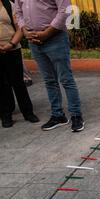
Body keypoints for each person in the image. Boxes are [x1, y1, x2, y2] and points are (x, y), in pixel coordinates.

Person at [14, 0, 84, 132]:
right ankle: (58, 116)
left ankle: (76, 115)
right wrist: (24, 30)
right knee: (49, 81)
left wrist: (47, 33)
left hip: (55, 38)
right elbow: (18, 12)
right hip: (33, 41)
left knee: (66, 79)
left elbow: (65, 10)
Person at [0, 0, 38, 128]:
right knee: (2, 85)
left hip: (13, 49)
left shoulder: (8, 4)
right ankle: (6, 115)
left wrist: (10, 44)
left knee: (18, 83)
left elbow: (20, 28)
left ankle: (28, 112)